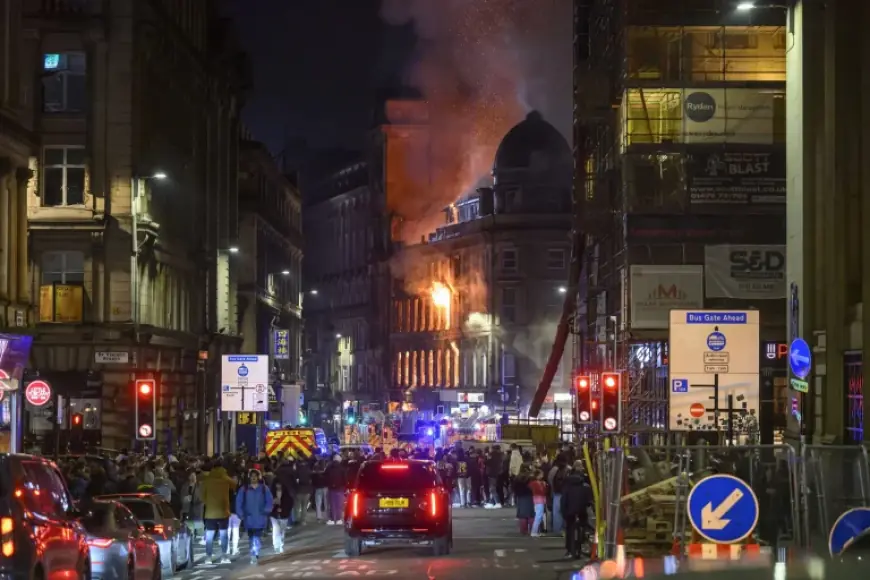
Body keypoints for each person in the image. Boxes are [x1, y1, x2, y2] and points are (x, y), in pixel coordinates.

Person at [236, 468, 274, 565]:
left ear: (258, 477)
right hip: (248, 518)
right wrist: (240, 514)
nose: (253, 478)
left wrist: (266, 511)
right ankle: (253, 553)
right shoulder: (244, 489)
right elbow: (239, 502)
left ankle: (255, 553)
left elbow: (269, 501)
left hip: (260, 517)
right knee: (251, 537)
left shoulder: (264, 489)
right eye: (252, 476)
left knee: (257, 536)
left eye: (255, 476)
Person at [201, 461, 235, 564]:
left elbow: (202, 496)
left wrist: (209, 503)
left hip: (210, 512)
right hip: (223, 511)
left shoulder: (207, 480)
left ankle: (208, 557)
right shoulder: (225, 479)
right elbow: (235, 485)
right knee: (224, 535)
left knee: (209, 535)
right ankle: (224, 556)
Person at [561, 460, 593, 559]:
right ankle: (581, 543)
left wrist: (564, 512)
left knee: (569, 529)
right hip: (581, 511)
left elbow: (564, 499)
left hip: (569, 511)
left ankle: (569, 549)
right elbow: (589, 500)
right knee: (583, 526)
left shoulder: (567, 485)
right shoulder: (585, 485)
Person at [180, 470, 204, 544]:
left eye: (194, 475)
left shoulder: (200, 485)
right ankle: (191, 538)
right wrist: (185, 499)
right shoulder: (185, 486)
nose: (193, 477)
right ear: (188, 477)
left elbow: (203, 497)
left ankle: (200, 538)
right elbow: (181, 497)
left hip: (197, 509)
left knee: (199, 526)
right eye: (191, 476)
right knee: (189, 528)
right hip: (188, 509)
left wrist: (200, 501)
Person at [270, 480, 293, 554]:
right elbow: (268, 504)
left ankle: (281, 545)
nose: (278, 486)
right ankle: (276, 546)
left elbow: (290, 504)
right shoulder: (271, 494)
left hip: (284, 515)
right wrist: (273, 504)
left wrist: (283, 508)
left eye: (279, 484)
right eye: (277, 485)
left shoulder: (287, 494)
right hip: (274, 515)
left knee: (282, 531)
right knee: (276, 530)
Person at [529, 469, 549, 537]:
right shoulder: (536, 483)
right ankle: (534, 532)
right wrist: (544, 486)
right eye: (541, 474)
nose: (542, 476)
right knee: (538, 516)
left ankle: (536, 531)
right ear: (537, 475)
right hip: (539, 500)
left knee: (539, 516)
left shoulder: (535, 483)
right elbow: (541, 492)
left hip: (539, 500)